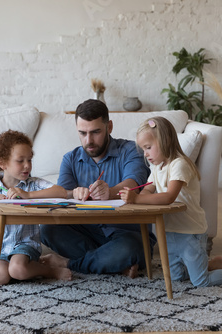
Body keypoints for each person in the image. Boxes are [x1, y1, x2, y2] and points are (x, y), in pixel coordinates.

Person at [119, 117, 222, 287]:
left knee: (200, 281)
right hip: (169, 231)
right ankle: (209, 265)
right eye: (143, 149)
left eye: (148, 148)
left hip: (189, 232)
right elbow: (148, 189)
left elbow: (169, 197)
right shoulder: (156, 167)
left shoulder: (179, 165)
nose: (145, 154)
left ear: (164, 141)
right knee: (176, 277)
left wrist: (137, 199)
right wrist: (138, 196)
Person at [39, 99, 153, 278]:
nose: (88, 140)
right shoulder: (70, 159)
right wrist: (73, 193)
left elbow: (134, 184)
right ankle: (113, 262)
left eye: (95, 132)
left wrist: (111, 192)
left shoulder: (132, 150)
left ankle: (68, 263)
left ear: (109, 127)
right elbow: (61, 197)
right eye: (82, 133)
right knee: (48, 229)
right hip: (87, 232)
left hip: (126, 234)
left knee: (132, 247)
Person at [0, 130, 72, 285]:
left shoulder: (33, 185)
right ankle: (42, 261)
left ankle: (49, 270)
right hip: (1, 248)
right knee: (0, 277)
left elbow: (61, 192)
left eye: (30, 160)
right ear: (2, 163)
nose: (27, 166)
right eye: (20, 161)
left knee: (18, 270)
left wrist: (28, 195)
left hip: (25, 245)